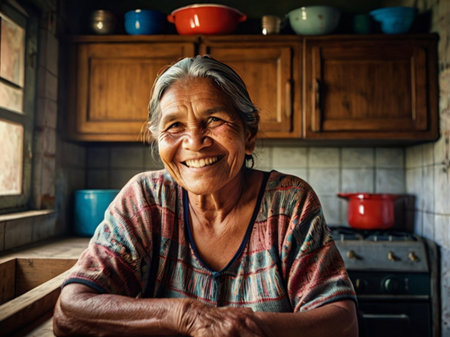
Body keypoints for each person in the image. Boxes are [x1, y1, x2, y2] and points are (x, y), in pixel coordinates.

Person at [53, 55, 358, 337]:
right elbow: (70, 312)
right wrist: (186, 316)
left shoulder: (288, 202)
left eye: (213, 120)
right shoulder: (146, 200)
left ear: (248, 135)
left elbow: (343, 322)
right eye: (174, 126)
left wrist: (248, 326)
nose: (195, 142)